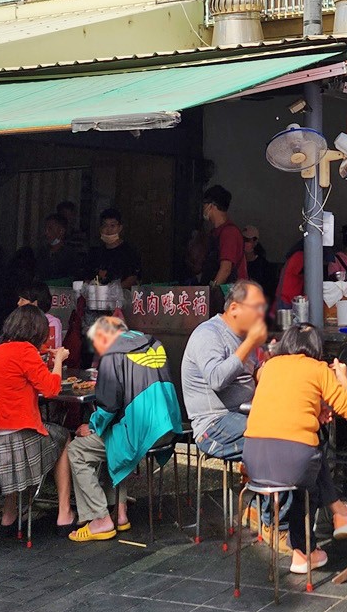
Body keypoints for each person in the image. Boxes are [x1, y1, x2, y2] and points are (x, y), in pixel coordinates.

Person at [243, 323, 347, 574]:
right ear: (317, 348)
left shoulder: (269, 367)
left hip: (253, 459)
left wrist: (316, 408)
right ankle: (305, 551)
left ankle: (338, 518)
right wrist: (343, 379)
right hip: (293, 461)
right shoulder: (318, 369)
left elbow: (287, 401)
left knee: (313, 451)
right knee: (308, 480)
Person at [67, 315, 184, 543]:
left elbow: (109, 406)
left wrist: (90, 425)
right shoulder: (153, 343)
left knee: (78, 450)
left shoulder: (113, 353)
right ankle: (120, 514)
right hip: (168, 428)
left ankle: (100, 519)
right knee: (114, 435)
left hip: (142, 434)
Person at [0, 306, 75, 535]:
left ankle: (10, 512)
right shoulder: (26, 352)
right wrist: (59, 360)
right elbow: (51, 389)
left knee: (15, 442)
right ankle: (64, 512)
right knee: (63, 436)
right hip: (18, 438)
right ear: (38, 331)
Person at [180, 280, 268, 461]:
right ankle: (260, 488)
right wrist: (251, 342)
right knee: (273, 437)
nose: (261, 314)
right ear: (234, 308)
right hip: (214, 424)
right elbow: (217, 379)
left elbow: (253, 371)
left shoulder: (242, 335)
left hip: (243, 412)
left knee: (296, 427)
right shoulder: (208, 334)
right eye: (256, 307)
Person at [203, 186, 248, 288]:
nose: (203, 208)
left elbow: (226, 269)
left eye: (204, 204)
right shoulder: (215, 232)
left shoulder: (229, 233)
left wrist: (210, 293)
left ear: (212, 206)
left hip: (231, 296)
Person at [89, 208, 142, 289]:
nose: (109, 230)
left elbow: (132, 278)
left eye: (112, 226)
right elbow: (88, 277)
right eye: (105, 226)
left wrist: (114, 291)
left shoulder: (130, 252)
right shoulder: (95, 253)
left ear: (120, 228)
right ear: (100, 229)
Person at [36, 213, 87, 283]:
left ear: (61, 231)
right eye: (45, 229)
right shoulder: (41, 252)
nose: (46, 233)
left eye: (50, 229)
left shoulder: (70, 254)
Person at [17, 282, 63, 348]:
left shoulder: (51, 323)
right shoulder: (18, 320)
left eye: (22, 300)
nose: (18, 303)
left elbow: (52, 351)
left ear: (35, 303)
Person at [242, 227, 277, 301]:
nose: (244, 243)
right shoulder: (237, 263)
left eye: (247, 240)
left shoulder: (264, 267)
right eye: (242, 239)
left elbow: (269, 293)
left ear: (255, 242)